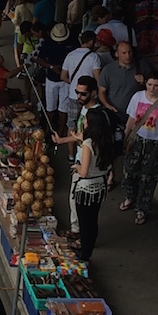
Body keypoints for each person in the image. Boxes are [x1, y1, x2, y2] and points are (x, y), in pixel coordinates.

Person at [120, 73, 158, 225]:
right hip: (137, 139)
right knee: (129, 171)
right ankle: (130, 196)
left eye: (156, 85)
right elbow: (131, 120)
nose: (152, 88)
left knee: (149, 177)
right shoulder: (137, 97)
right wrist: (125, 138)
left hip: (155, 144)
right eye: (149, 84)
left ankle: (142, 208)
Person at [52, 75, 105, 239]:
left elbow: (92, 138)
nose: (79, 97)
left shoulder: (96, 114)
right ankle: (77, 231)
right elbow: (82, 135)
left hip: (88, 165)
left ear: (94, 93)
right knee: (74, 202)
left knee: (81, 207)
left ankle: (80, 236)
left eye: (83, 94)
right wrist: (63, 140)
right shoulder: (85, 110)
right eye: (77, 92)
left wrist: (80, 167)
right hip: (81, 159)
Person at [68, 108, 113, 261]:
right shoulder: (106, 140)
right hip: (100, 187)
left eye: (86, 119)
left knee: (85, 223)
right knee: (93, 222)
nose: (84, 121)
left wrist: (77, 167)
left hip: (85, 189)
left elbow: (84, 171)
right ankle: (88, 250)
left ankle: (84, 255)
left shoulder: (88, 144)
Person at [60, 31, 102, 158]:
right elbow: (98, 80)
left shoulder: (70, 55)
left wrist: (74, 84)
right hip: (89, 98)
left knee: (71, 126)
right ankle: (86, 155)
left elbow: (63, 76)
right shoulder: (94, 57)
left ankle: (71, 156)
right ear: (91, 41)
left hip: (73, 96)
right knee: (89, 126)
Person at [33, 23, 77, 136]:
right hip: (51, 78)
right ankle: (49, 127)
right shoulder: (48, 42)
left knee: (63, 107)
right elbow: (39, 59)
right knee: (50, 106)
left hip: (66, 80)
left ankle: (62, 128)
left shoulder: (73, 43)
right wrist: (51, 67)